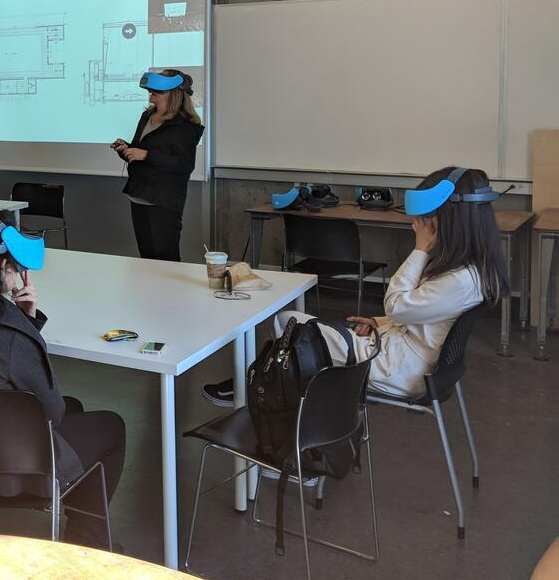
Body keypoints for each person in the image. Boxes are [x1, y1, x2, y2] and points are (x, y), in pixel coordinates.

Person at [203, 166, 508, 407]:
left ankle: (257, 397)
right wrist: (380, 322)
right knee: (295, 334)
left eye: (427, 220)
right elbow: (422, 311)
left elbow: (399, 305)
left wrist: (420, 250)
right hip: (402, 352)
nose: (419, 225)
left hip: (400, 370)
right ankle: (266, 400)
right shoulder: (470, 269)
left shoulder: (460, 279)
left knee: (291, 328)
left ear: (449, 220)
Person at [0, 210, 125, 549]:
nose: (18, 278)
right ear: (1, 268)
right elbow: (52, 412)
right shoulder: (11, 331)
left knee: (77, 407)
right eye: (16, 268)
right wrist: (25, 325)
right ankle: (86, 542)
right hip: (5, 471)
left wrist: (25, 321)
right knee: (111, 426)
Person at [111, 69, 204, 261]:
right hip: (139, 196)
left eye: (157, 90)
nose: (151, 92)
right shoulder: (147, 116)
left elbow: (184, 165)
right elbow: (139, 153)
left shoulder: (184, 126)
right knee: (147, 259)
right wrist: (126, 150)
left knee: (165, 260)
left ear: (174, 93)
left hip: (163, 202)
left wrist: (146, 155)